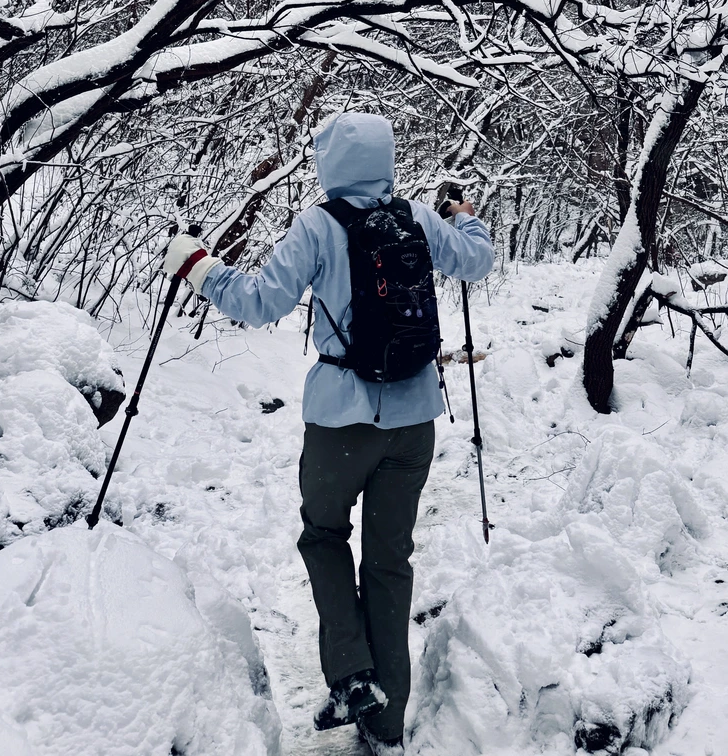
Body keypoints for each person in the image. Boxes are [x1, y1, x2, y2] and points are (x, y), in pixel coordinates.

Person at [163, 111, 493, 755]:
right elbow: (476, 261)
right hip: (414, 422)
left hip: (341, 424)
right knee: (390, 564)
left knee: (323, 536)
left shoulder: (317, 225)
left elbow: (259, 302)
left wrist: (197, 266)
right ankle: (386, 728)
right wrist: (466, 215)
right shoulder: (419, 219)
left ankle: (351, 676)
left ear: (328, 165)